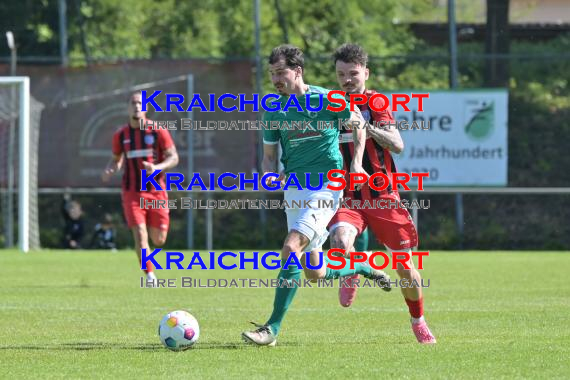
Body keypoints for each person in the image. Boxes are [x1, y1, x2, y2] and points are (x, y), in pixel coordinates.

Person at [241, 44, 391, 347]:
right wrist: (268, 175)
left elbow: (358, 125)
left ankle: (271, 328)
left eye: (280, 72)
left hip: (328, 185)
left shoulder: (326, 99)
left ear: (297, 71)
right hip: (295, 189)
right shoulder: (274, 110)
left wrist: (358, 164)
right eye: (272, 74)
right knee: (315, 271)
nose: (276, 79)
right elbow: (269, 157)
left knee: (290, 246)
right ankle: (361, 267)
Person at [328, 43, 436, 344]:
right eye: (341, 74)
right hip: (349, 196)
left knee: (405, 267)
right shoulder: (330, 105)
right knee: (339, 241)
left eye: (353, 73)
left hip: (382, 195)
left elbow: (397, 143)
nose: (347, 80)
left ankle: (418, 321)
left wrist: (368, 128)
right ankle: (353, 270)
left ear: (366, 73)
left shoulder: (375, 102)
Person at [101, 91, 179, 284]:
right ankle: (150, 276)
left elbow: (174, 157)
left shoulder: (158, 131)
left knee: (159, 239)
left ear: (146, 108)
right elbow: (116, 159)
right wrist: (110, 169)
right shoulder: (121, 135)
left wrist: (157, 168)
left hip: (156, 190)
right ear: (128, 108)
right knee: (140, 234)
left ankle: (150, 268)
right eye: (133, 103)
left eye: (140, 104)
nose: (137, 107)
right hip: (132, 192)